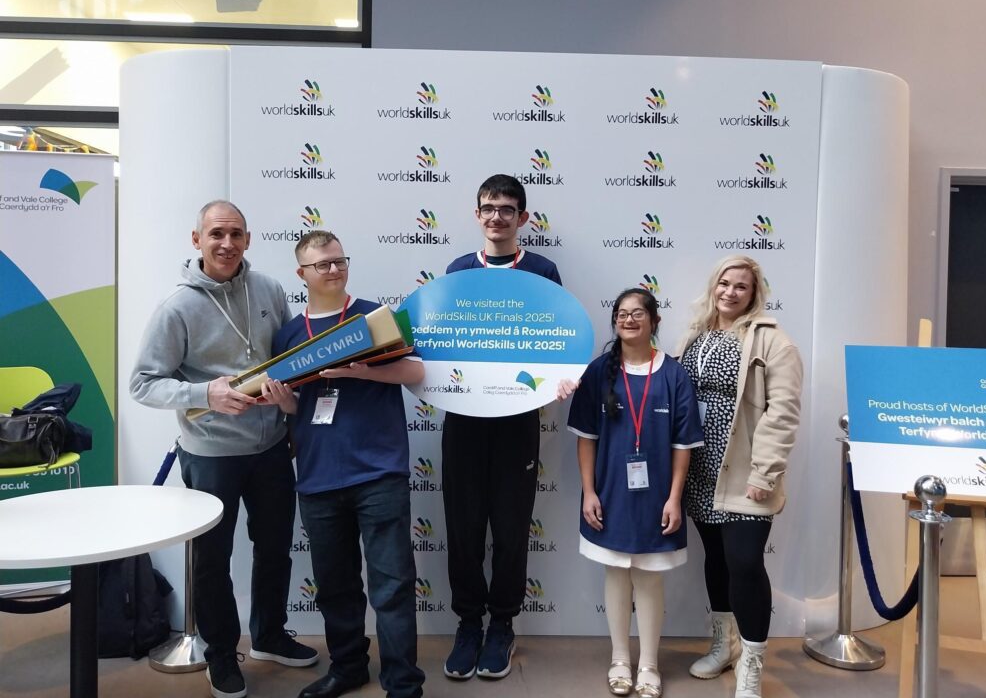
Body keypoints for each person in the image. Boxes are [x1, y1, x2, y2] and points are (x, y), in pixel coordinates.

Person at [130, 200, 318, 698]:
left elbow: (286, 361)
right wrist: (203, 394)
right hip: (210, 454)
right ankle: (220, 655)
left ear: (249, 239)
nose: (227, 244)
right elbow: (143, 385)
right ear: (197, 241)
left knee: (276, 548)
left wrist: (289, 402)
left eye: (236, 234)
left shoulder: (270, 290)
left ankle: (271, 635)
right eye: (216, 234)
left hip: (273, 447)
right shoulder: (177, 307)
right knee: (212, 561)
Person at [265, 230, 426, 698]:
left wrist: (364, 371)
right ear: (302, 275)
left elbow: (416, 372)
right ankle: (348, 667)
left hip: (379, 472)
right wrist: (286, 405)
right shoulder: (290, 334)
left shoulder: (374, 318)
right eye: (323, 264)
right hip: (317, 476)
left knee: (393, 585)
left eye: (340, 261)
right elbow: (296, 406)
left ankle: (402, 682)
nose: (334, 270)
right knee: (334, 586)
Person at [441, 174, 561, 680]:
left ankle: (503, 626)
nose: (497, 217)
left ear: (523, 219)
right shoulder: (457, 270)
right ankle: (469, 624)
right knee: (463, 529)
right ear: (476, 215)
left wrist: (557, 379)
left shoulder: (542, 270)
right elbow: (444, 339)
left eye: (507, 209)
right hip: (464, 419)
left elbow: (556, 338)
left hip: (516, 421)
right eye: (488, 208)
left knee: (512, 529)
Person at [567, 288, 703, 698]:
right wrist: (589, 492)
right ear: (615, 322)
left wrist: (674, 497)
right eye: (622, 314)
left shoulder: (674, 375)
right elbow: (586, 438)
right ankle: (619, 660)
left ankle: (649, 664)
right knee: (616, 574)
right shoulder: (598, 372)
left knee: (648, 579)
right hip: (609, 494)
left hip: (658, 497)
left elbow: (683, 445)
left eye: (638, 313)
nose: (629, 320)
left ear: (654, 321)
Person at [677, 255, 802, 698]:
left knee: (746, 564)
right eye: (724, 284)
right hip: (700, 470)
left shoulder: (772, 341)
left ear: (755, 294)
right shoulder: (697, 336)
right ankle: (724, 645)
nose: (730, 292)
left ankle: (752, 661)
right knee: (716, 560)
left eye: (741, 287)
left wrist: (765, 474)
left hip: (746, 474)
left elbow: (782, 414)